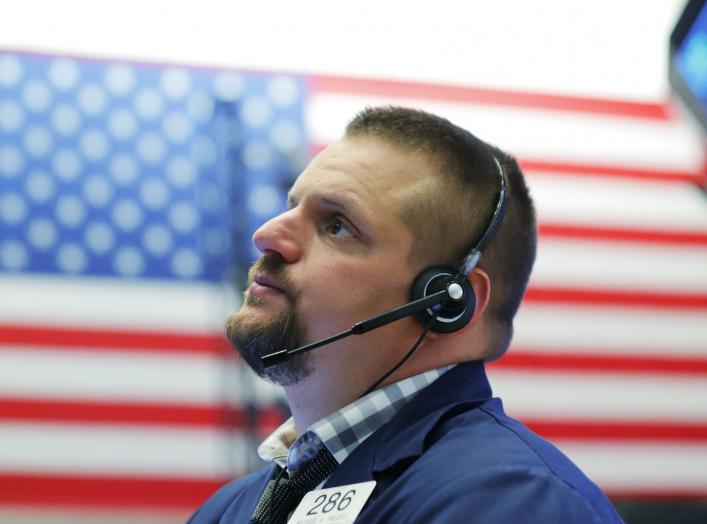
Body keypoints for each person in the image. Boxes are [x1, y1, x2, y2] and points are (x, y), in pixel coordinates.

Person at [189, 106, 624, 523]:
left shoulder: (509, 499)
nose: (266, 235)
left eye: (337, 225)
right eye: (292, 206)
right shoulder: (232, 508)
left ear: (446, 302)